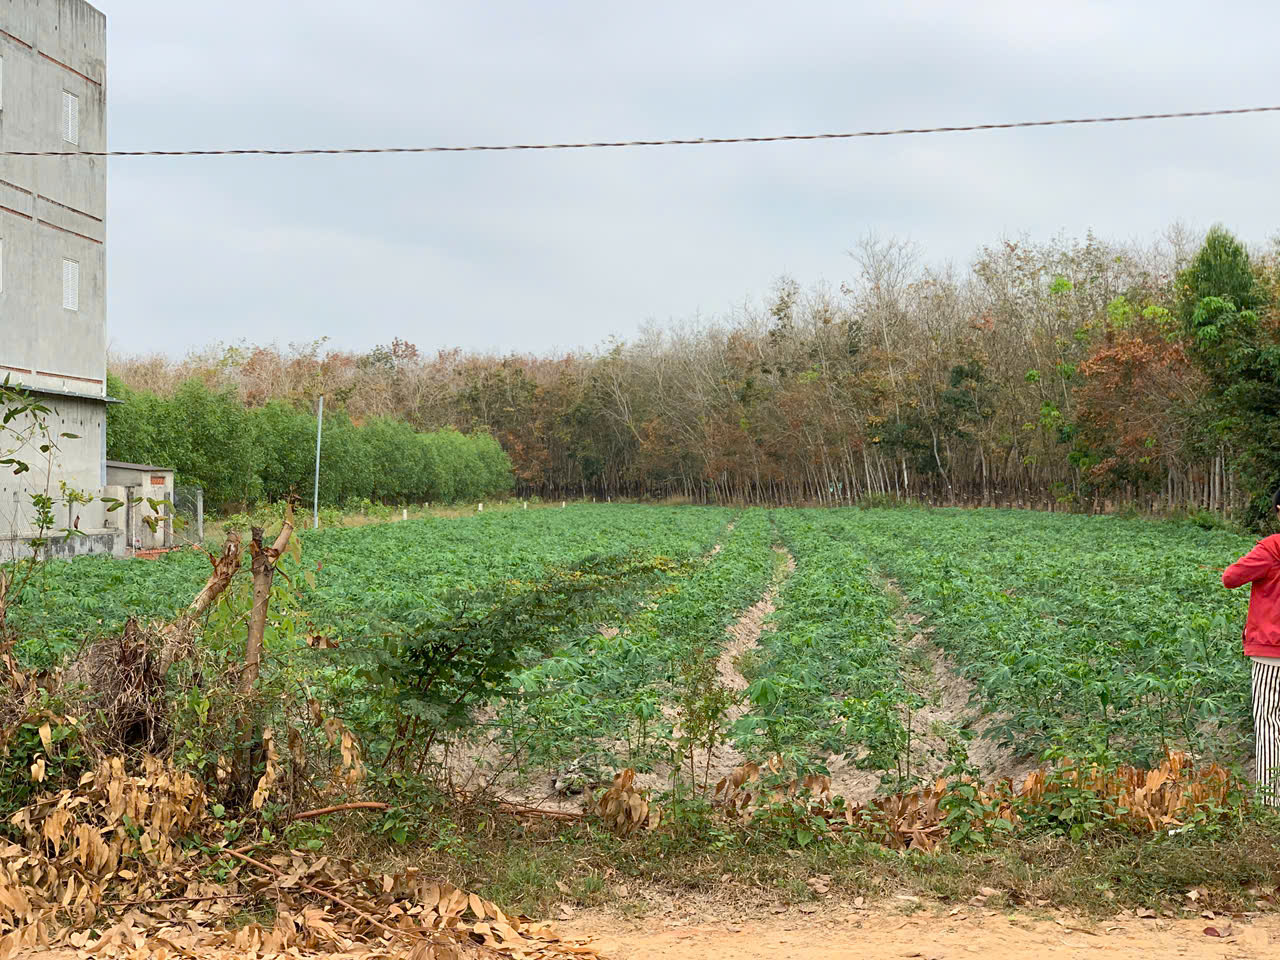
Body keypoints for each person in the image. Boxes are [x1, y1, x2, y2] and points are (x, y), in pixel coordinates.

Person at [1222, 486, 1280, 806]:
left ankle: (1271, 801)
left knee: (1269, 721)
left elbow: (1231, 577)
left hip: (1272, 651)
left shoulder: (1272, 548)